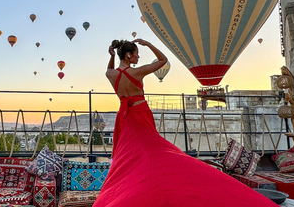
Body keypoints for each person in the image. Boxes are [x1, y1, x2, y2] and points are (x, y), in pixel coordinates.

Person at [93, 39, 277, 207]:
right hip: (140, 113)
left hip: (125, 117)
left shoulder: (111, 74)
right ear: (128, 55)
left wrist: (111, 58)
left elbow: (109, 71)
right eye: (136, 53)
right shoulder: (137, 71)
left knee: (129, 154)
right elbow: (163, 60)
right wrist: (148, 44)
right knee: (153, 149)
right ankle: (157, 183)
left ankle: (133, 188)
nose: (138, 56)